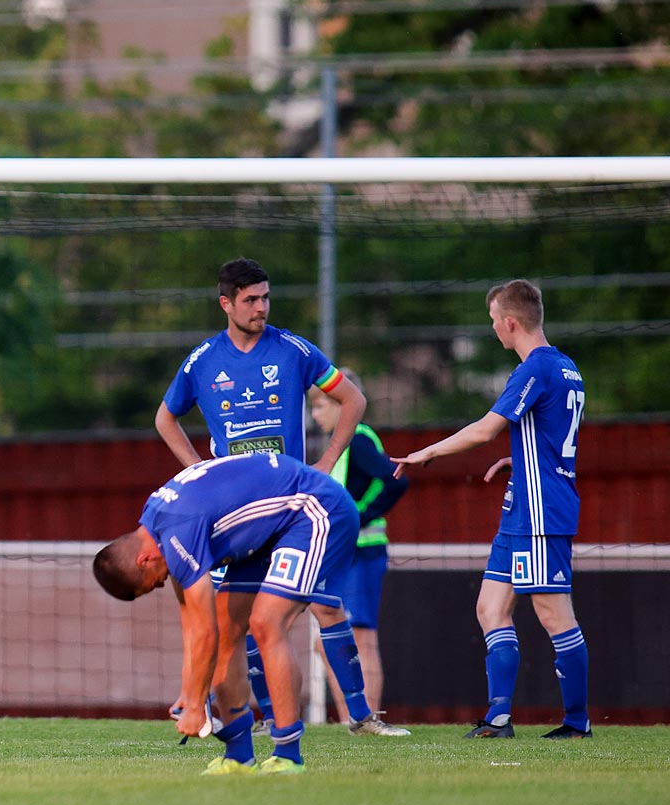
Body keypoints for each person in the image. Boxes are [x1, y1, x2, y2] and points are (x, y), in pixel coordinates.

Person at [154, 258, 403, 736]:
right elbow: (165, 419)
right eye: (250, 299)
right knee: (236, 620)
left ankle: (361, 717)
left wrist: (326, 463)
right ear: (226, 303)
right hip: (239, 516)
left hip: (291, 511)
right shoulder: (202, 361)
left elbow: (354, 400)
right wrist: (199, 472)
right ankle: (255, 718)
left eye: (265, 297)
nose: (261, 307)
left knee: (328, 605)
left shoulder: (293, 350)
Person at [393, 279, 591, 739]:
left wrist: (428, 452)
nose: (494, 332)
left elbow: (485, 429)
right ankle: (499, 718)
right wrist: (519, 459)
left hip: (540, 513)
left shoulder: (534, 370)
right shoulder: (566, 366)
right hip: (522, 505)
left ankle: (577, 723)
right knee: (490, 607)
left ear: (510, 323)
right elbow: (552, 434)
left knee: (553, 613)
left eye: (493, 323)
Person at [93, 451, 362, 775]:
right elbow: (193, 622)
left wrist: (196, 707)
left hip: (315, 510)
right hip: (270, 526)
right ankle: (238, 756)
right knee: (226, 626)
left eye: (150, 585)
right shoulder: (157, 523)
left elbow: (203, 632)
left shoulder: (178, 532)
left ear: (144, 561)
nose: (160, 585)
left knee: (266, 623)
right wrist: (189, 691)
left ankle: (288, 755)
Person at [311, 369, 408, 721]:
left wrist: (359, 516)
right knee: (325, 642)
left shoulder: (359, 439)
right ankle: (353, 718)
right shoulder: (341, 445)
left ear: (342, 404)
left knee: (362, 639)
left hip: (363, 553)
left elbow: (395, 480)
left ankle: (368, 718)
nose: (315, 415)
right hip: (344, 556)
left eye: (320, 406)